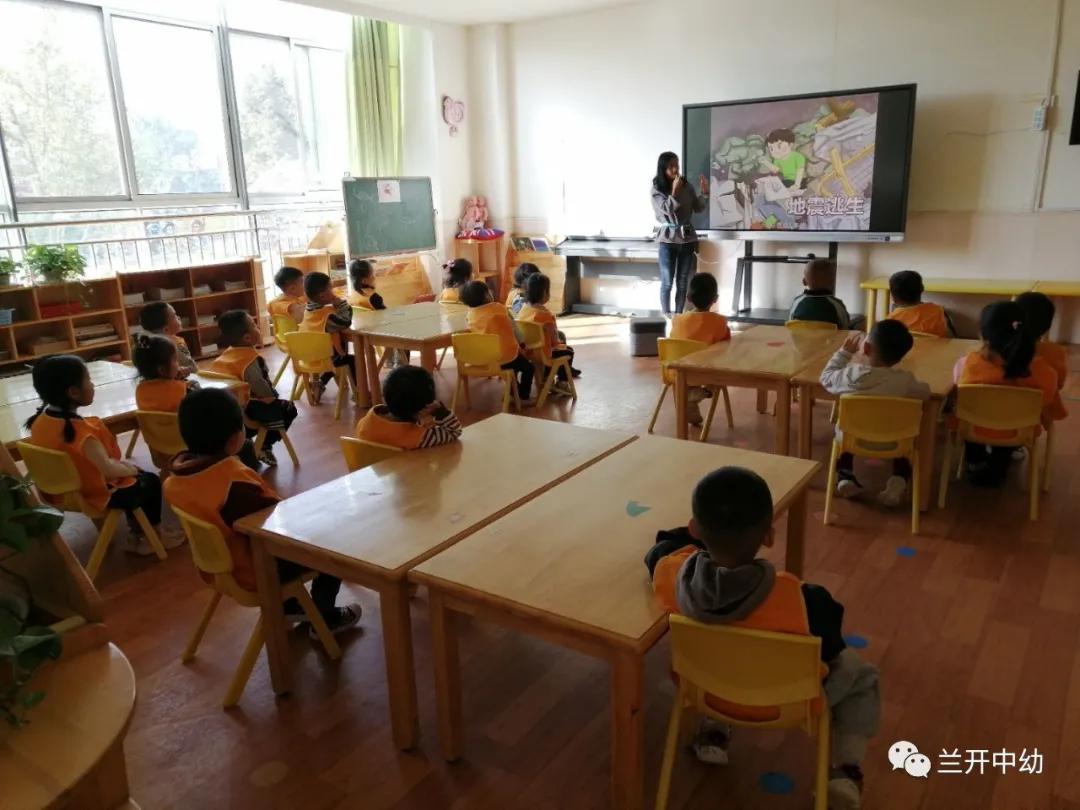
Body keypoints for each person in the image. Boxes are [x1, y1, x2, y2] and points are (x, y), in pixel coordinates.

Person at [645, 467, 879, 810]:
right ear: (768, 536)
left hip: (704, 690)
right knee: (861, 676)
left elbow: (660, 550)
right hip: (786, 701)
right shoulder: (804, 599)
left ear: (695, 529)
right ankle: (845, 771)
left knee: (724, 651)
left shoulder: (673, 576)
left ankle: (714, 731)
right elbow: (830, 650)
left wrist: (690, 537)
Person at [166, 387, 360, 636]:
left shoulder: (177, 478)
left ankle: (290, 605)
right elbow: (278, 526)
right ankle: (325, 616)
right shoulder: (232, 485)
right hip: (257, 570)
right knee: (333, 541)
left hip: (223, 568)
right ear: (236, 438)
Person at [25, 354, 177, 555]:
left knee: (135, 477)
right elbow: (108, 469)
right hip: (93, 494)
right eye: (88, 380)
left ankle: (138, 533)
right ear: (73, 392)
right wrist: (129, 468)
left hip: (61, 492)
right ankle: (152, 535)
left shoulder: (40, 422)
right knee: (148, 481)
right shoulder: (82, 434)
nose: (93, 384)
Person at [819, 321, 930, 506]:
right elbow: (925, 394)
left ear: (867, 348)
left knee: (844, 431)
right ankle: (898, 481)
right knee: (906, 431)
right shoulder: (904, 382)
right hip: (894, 441)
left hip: (853, 439)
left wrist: (844, 353)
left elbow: (826, 377)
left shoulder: (849, 376)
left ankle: (845, 476)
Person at [955, 301, 1064, 487]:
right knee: (1014, 417)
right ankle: (999, 464)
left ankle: (975, 461)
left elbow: (959, 393)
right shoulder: (1044, 372)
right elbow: (1045, 402)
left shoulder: (966, 364)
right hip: (1018, 431)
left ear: (982, 334)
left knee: (967, 411)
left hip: (972, 429)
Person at [211, 310, 297, 467]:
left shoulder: (224, 356)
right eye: (254, 325)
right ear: (247, 337)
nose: (258, 327)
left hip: (224, 414)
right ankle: (264, 445)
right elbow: (261, 386)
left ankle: (251, 445)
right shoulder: (250, 360)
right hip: (244, 416)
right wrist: (273, 398)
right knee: (289, 409)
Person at [651, 151, 708, 316]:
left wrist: (705, 193)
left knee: (682, 282)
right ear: (663, 169)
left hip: (687, 239)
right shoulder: (656, 190)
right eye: (670, 166)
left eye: (677, 165)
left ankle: (678, 316)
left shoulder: (687, 186)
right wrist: (674, 192)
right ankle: (667, 316)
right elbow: (665, 211)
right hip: (668, 240)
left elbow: (698, 208)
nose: (675, 169)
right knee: (667, 282)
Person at [670, 272, 731, 425]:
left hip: (676, 373)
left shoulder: (677, 320)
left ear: (689, 297)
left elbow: (673, 342)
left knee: (688, 363)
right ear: (715, 299)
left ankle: (689, 399)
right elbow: (726, 346)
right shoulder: (719, 322)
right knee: (722, 369)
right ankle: (704, 392)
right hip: (704, 374)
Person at [460, 280, 534, 402]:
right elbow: (514, 327)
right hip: (504, 355)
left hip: (484, 357)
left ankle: (512, 393)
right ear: (486, 295)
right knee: (529, 368)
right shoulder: (499, 308)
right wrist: (522, 343)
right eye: (488, 290)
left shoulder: (470, 314)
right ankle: (523, 396)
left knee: (512, 366)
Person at [354, 366, 462, 449]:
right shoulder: (420, 437)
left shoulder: (366, 423)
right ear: (422, 409)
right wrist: (440, 412)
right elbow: (454, 431)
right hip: (408, 476)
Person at [300, 271, 357, 403]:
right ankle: (360, 392)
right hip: (327, 357)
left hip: (311, 356)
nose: (333, 291)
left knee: (333, 358)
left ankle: (320, 383)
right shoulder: (327, 316)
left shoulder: (308, 310)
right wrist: (342, 305)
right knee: (352, 360)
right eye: (330, 288)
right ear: (323, 295)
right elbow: (345, 322)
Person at [517, 272, 579, 389]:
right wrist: (560, 343)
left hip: (529, 351)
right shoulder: (546, 316)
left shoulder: (524, 310)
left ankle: (546, 378)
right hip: (543, 354)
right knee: (568, 351)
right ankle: (562, 382)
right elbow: (554, 342)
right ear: (545, 293)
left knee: (554, 350)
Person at [1015, 291, 1068, 393]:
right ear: (1048, 326)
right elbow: (1059, 384)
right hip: (1043, 407)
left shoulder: (995, 352)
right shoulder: (1056, 352)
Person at [886, 270, 953, 337]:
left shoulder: (891, 320)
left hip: (907, 348)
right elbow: (948, 337)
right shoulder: (937, 310)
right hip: (937, 347)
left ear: (893, 296)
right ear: (922, 289)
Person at [789, 258, 851, 329]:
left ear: (804, 281)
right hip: (830, 340)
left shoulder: (796, 302)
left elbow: (791, 326)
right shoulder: (837, 305)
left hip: (800, 340)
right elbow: (845, 329)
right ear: (832, 282)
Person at [139, 301, 197, 376]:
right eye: (174, 316)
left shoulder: (142, 340)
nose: (178, 317)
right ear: (166, 330)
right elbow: (193, 369)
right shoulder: (170, 345)